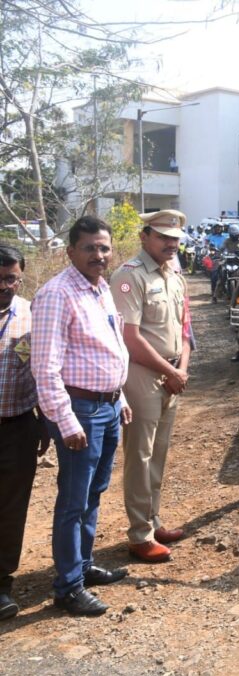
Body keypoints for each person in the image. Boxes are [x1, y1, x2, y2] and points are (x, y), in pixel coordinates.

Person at [31, 216, 132, 616]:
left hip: (108, 406)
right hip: (80, 411)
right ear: (70, 251)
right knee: (74, 500)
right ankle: (68, 587)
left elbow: (108, 348)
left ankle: (83, 566)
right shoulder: (57, 294)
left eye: (104, 248)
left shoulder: (100, 288)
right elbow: (45, 368)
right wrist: (65, 420)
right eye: (89, 248)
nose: (98, 255)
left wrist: (120, 397)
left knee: (94, 492)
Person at [110, 210, 190, 564]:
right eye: (163, 237)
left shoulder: (174, 274)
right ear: (145, 237)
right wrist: (170, 371)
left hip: (171, 373)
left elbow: (184, 330)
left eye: (175, 239)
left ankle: (154, 521)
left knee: (159, 453)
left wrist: (181, 370)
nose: (171, 244)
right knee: (139, 456)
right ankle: (140, 534)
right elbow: (130, 337)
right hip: (142, 373)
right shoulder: (129, 276)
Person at [0, 245, 50, 621]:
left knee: (10, 508)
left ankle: (1, 583)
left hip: (16, 429)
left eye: (10, 278)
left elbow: (42, 370)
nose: (3, 286)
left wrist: (44, 420)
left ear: (21, 276)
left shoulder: (32, 316)